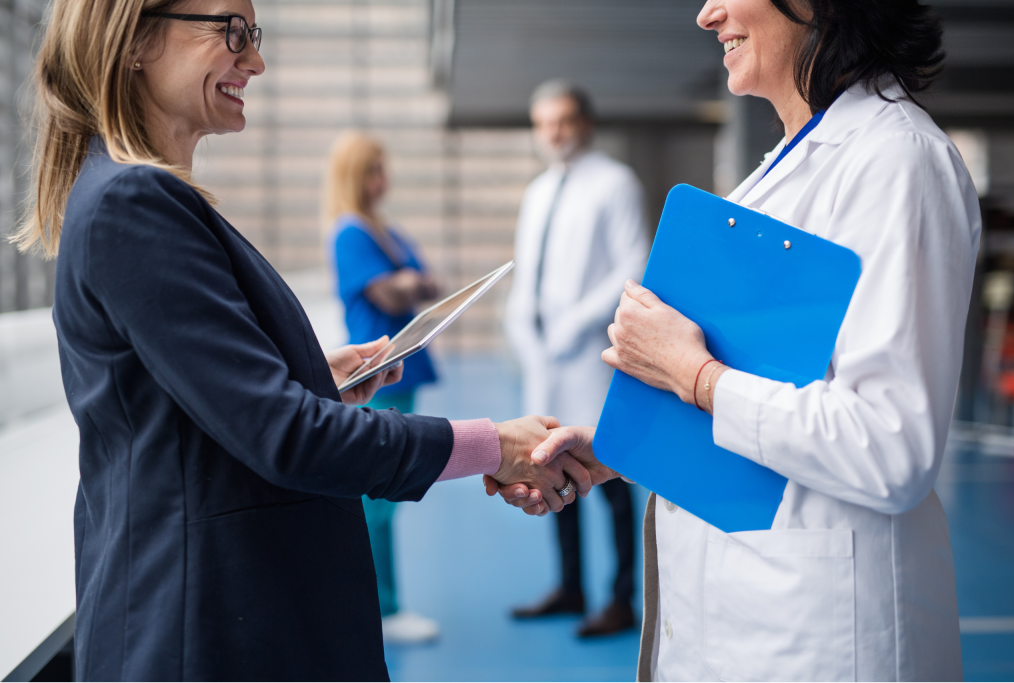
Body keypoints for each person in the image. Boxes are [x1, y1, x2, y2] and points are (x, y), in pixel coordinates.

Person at [12, 0, 608, 678]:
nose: (255, 61)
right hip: (201, 630)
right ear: (133, 40)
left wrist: (311, 379)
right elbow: (285, 437)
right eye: (232, 32)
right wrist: (493, 445)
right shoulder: (135, 206)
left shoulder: (130, 198)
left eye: (254, 35)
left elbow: (194, 411)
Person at [493, 0, 979, 679]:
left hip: (817, 632)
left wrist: (692, 375)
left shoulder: (898, 162)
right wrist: (621, 452)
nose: (706, 13)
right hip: (734, 619)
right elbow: (772, 388)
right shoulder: (781, 169)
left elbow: (891, 444)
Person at [501, 80, 650, 636]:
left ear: (584, 123)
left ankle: (619, 599)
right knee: (545, 466)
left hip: (591, 354)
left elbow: (630, 262)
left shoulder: (615, 183)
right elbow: (526, 269)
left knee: (605, 473)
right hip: (545, 357)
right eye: (544, 123)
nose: (554, 133)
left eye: (563, 121)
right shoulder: (539, 191)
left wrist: (576, 320)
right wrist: (523, 324)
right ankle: (570, 586)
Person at [323, 131, 441, 644]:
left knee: (386, 499)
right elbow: (394, 294)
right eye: (373, 171)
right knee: (378, 500)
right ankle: (382, 609)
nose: (382, 181)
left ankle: (380, 605)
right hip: (372, 376)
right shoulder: (350, 233)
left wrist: (407, 282)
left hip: (399, 372)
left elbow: (421, 283)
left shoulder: (381, 232)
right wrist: (408, 281)